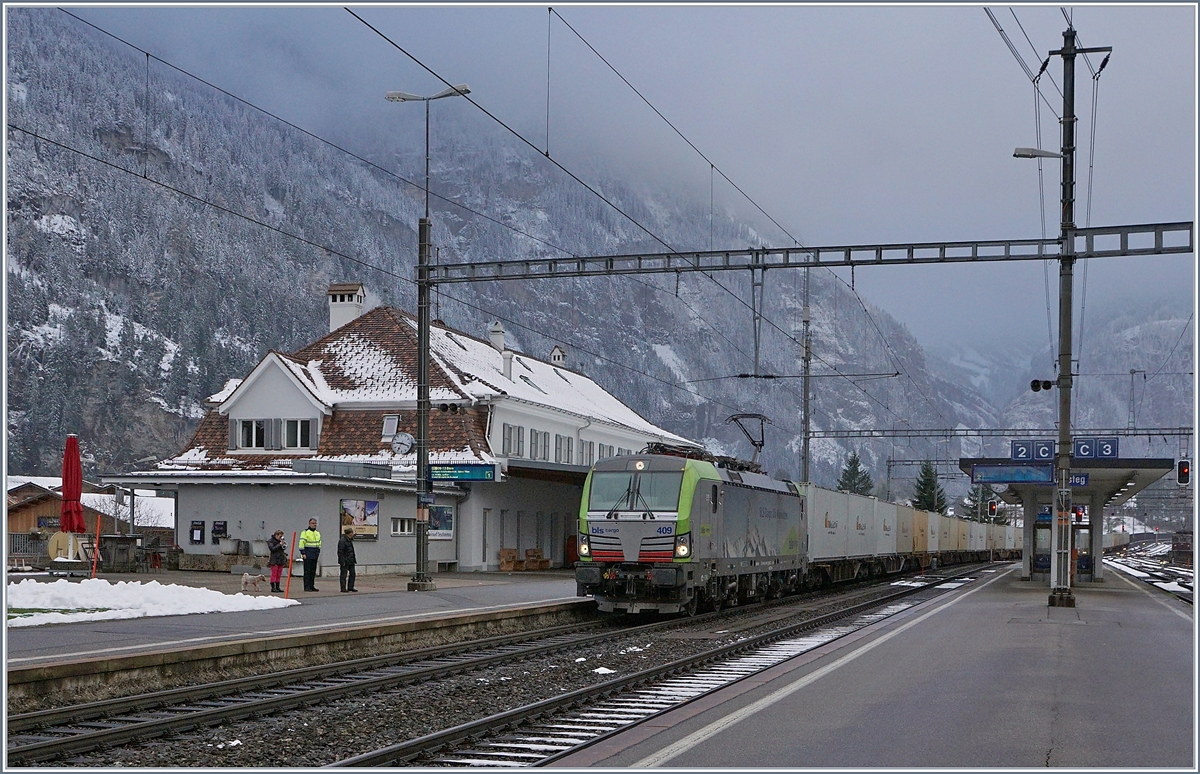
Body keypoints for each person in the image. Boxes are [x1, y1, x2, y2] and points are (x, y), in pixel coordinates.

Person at [298, 518, 322, 592]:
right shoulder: (305, 532)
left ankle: (312, 585)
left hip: (315, 554)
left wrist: (318, 552)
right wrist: (303, 553)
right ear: (309, 524)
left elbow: (319, 543)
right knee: (307, 571)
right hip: (308, 553)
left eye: (315, 523)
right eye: (313, 523)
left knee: (313, 571)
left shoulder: (317, 533)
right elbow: (301, 543)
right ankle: (307, 586)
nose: (314, 524)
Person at [337, 526, 358, 593]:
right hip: (345, 561)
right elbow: (340, 552)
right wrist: (342, 561)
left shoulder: (349, 540)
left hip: (351, 560)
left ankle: (350, 587)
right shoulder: (342, 541)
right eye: (352, 532)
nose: (352, 534)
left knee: (352, 574)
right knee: (343, 575)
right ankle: (343, 588)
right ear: (349, 533)